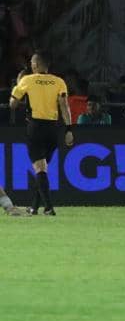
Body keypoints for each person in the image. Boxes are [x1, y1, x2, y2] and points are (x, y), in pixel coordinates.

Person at [9, 53, 73, 215]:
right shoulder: (59, 81)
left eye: (32, 62)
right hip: (53, 129)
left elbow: (13, 104)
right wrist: (69, 130)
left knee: (40, 170)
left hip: (35, 127)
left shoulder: (27, 80)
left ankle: (49, 207)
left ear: (36, 64)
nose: (31, 65)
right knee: (43, 170)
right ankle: (34, 207)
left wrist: (17, 87)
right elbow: (64, 106)